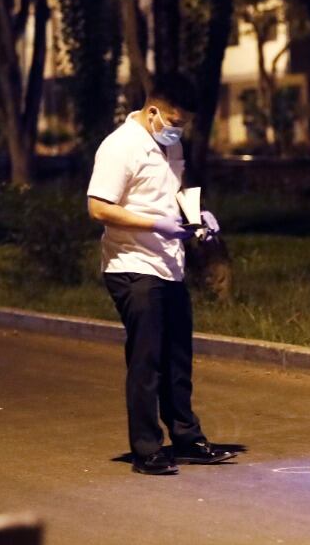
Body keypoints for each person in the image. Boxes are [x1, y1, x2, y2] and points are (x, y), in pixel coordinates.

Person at [86, 76, 235, 475]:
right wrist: (155, 224)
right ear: (152, 112)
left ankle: (186, 439)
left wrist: (196, 214)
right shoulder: (120, 147)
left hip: (170, 264)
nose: (178, 130)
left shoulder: (170, 145)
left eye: (183, 125)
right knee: (147, 361)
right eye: (174, 122)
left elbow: (173, 189)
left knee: (177, 358)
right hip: (132, 265)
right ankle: (146, 449)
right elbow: (98, 207)